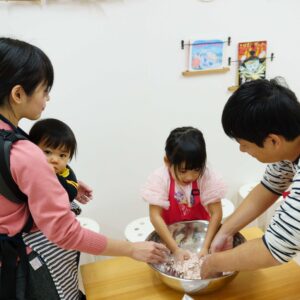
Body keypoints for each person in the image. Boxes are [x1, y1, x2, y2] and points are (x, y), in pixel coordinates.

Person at [0, 37, 167, 300]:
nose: (47, 97)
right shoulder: (24, 153)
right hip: (22, 267)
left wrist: (58, 185)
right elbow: (65, 232)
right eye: (44, 90)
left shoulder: (13, 142)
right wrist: (131, 249)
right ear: (18, 93)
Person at [200, 78, 300, 279]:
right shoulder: (289, 144)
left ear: (273, 141)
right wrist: (225, 232)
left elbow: (274, 248)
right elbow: (270, 186)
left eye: (244, 144)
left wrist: (212, 263)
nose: (242, 149)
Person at [141, 126, 226, 261]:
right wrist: (175, 249)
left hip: (200, 233)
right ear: (167, 162)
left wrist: (205, 247)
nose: (190, 177)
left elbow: (216, 213)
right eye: (182, 171)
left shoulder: (207, 177)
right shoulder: (160, 179)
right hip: (170, 235)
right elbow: (155, 216)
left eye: (196, 170)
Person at [29, 118, 85, 215]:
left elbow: (71, 193)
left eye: (62, 155)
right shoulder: (27, 169)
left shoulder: (66, 172)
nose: (55, 160)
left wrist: (51, 175)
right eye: (47, 152)